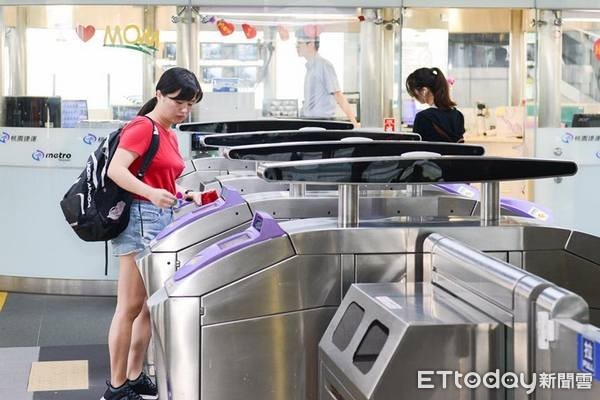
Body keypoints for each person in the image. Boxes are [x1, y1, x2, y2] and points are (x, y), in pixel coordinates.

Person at [101, 67, 204, 400]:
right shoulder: (143, 128)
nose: (184, 110)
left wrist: (181, 194)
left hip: (160, 216)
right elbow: (115, 170)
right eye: (179, 102)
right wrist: (149, 193)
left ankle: (133, 375)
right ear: (159, 94)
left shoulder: (168, 132)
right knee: (129, 307)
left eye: (190, 104)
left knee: (147, 307)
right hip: (140, 220)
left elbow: (163, 178)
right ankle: (116, 387)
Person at [295, 25, 360, 128]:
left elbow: (338, 95)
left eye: (299, 43)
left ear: (311, 44)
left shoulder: (324, 65)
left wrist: (354, 123)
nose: (296, 47)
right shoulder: (310, 68)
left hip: (322, 123)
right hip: (309, 121)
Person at [405, 67, 465, 142]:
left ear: (424, 91)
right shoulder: (458, 116)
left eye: (414, 93)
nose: (414, 97)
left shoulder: (422, 117)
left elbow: (417, 150)